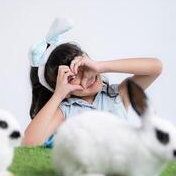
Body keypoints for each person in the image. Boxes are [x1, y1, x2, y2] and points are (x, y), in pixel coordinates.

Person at [23, 18, 162, 147]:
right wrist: (58, 96)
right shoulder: (66, 110)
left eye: (82, 65)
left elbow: (156, 67)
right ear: (62, 88)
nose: (86, 75)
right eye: (71, 77)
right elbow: (29, 143)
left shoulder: (116, 96)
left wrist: (100, 66)